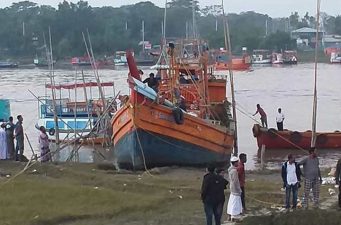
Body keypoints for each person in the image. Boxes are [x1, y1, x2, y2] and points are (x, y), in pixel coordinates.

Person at [227, 156, 243, 222]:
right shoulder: (234, 171)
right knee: (235, 202)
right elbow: (236, 181)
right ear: (235, 163)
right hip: (235, 189)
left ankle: (231, 214)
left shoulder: (230, 169)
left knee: (232, 201)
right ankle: (234, 215)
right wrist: (239, 189)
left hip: (232, 188)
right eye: (237, 162)